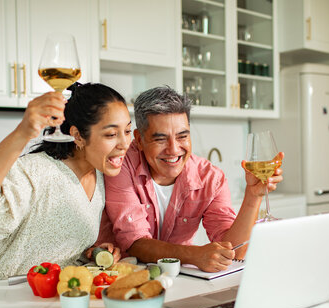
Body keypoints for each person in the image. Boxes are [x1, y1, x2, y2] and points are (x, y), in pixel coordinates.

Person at [0, 83, 132, 282]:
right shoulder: (36, 170)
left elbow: (57, 245)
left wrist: (89, 252)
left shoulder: (99, 176)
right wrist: (23, 132)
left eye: (127, 131)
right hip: (13, 298)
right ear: (77, 136)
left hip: (59, 297)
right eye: (111, 134)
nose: (125, 144)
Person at [97, 86, 283, 273]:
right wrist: (194, 255)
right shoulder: (121, 163)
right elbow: (135, 243)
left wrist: (253, 195)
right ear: (139, 139)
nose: (174, 149)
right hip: (118, 277)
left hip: (180, 281)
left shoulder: (211, 178)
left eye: (182, 137)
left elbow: (233, 251)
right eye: (161, 139)